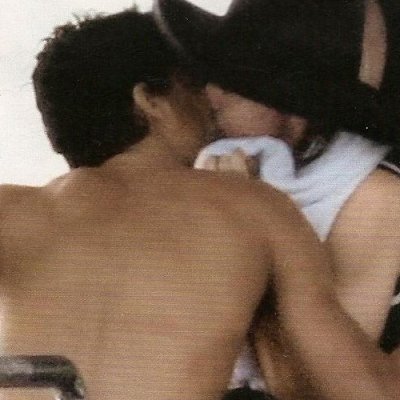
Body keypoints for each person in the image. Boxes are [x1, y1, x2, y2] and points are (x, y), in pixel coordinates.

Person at [0, 7, 337, 400]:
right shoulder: (257, 208)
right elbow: (346, 389)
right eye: (192, 84)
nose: (209, 100)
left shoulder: (10, 209)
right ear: (149, 101)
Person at [155, 0, 400, 398]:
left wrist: (250, 234)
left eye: (234, 83)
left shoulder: (378, 199)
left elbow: (304, 388)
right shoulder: (236, 166)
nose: (211, 94)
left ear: (294, 106)